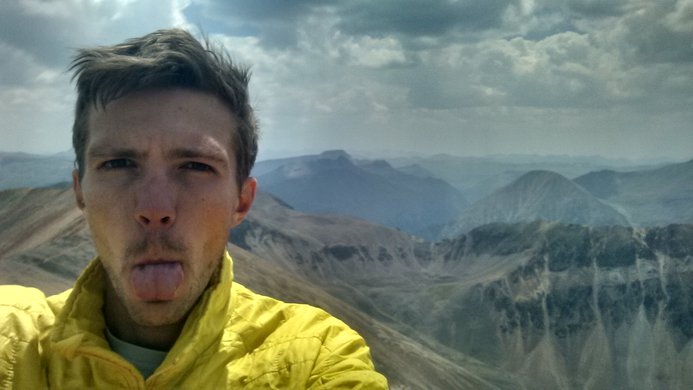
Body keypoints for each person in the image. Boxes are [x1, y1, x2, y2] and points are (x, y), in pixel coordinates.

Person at [0, 28, 388, 388]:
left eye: (195, 166)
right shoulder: (11, 338)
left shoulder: (315, 356)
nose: (155, 209)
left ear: (242, 200)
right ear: (79, 193)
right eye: (118, 164)